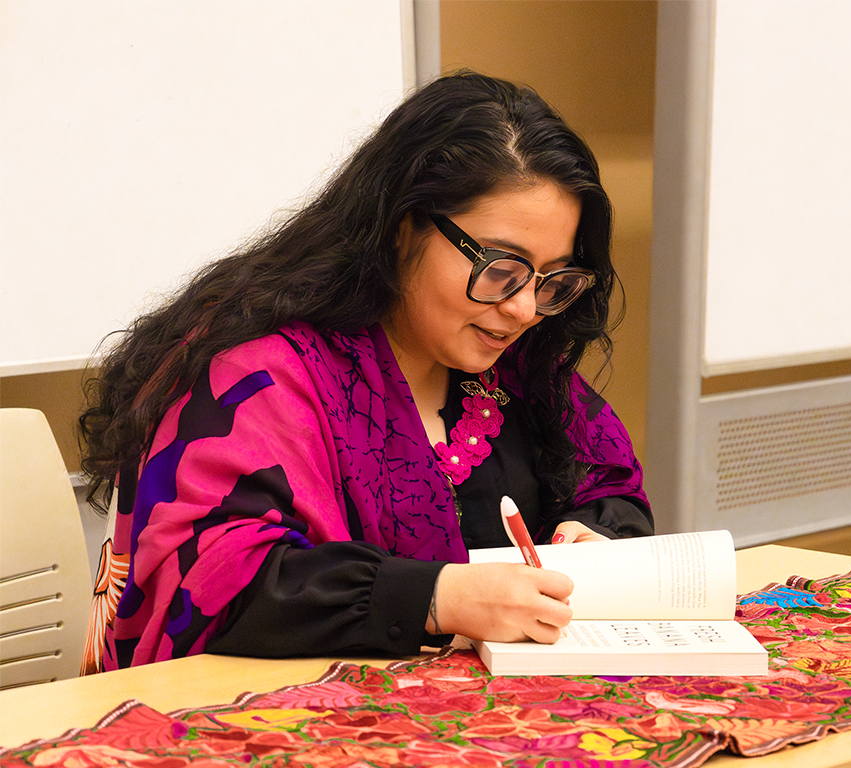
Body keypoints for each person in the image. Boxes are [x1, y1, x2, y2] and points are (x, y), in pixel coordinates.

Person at [78, 71, 653, 672]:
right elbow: (215, 583)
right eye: (502, 268)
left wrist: (594, 542)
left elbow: (607, 486)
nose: (524, 309)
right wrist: (437, 598)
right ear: (405, 227)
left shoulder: (517, 366)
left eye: (552, 280)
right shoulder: (258, 374)